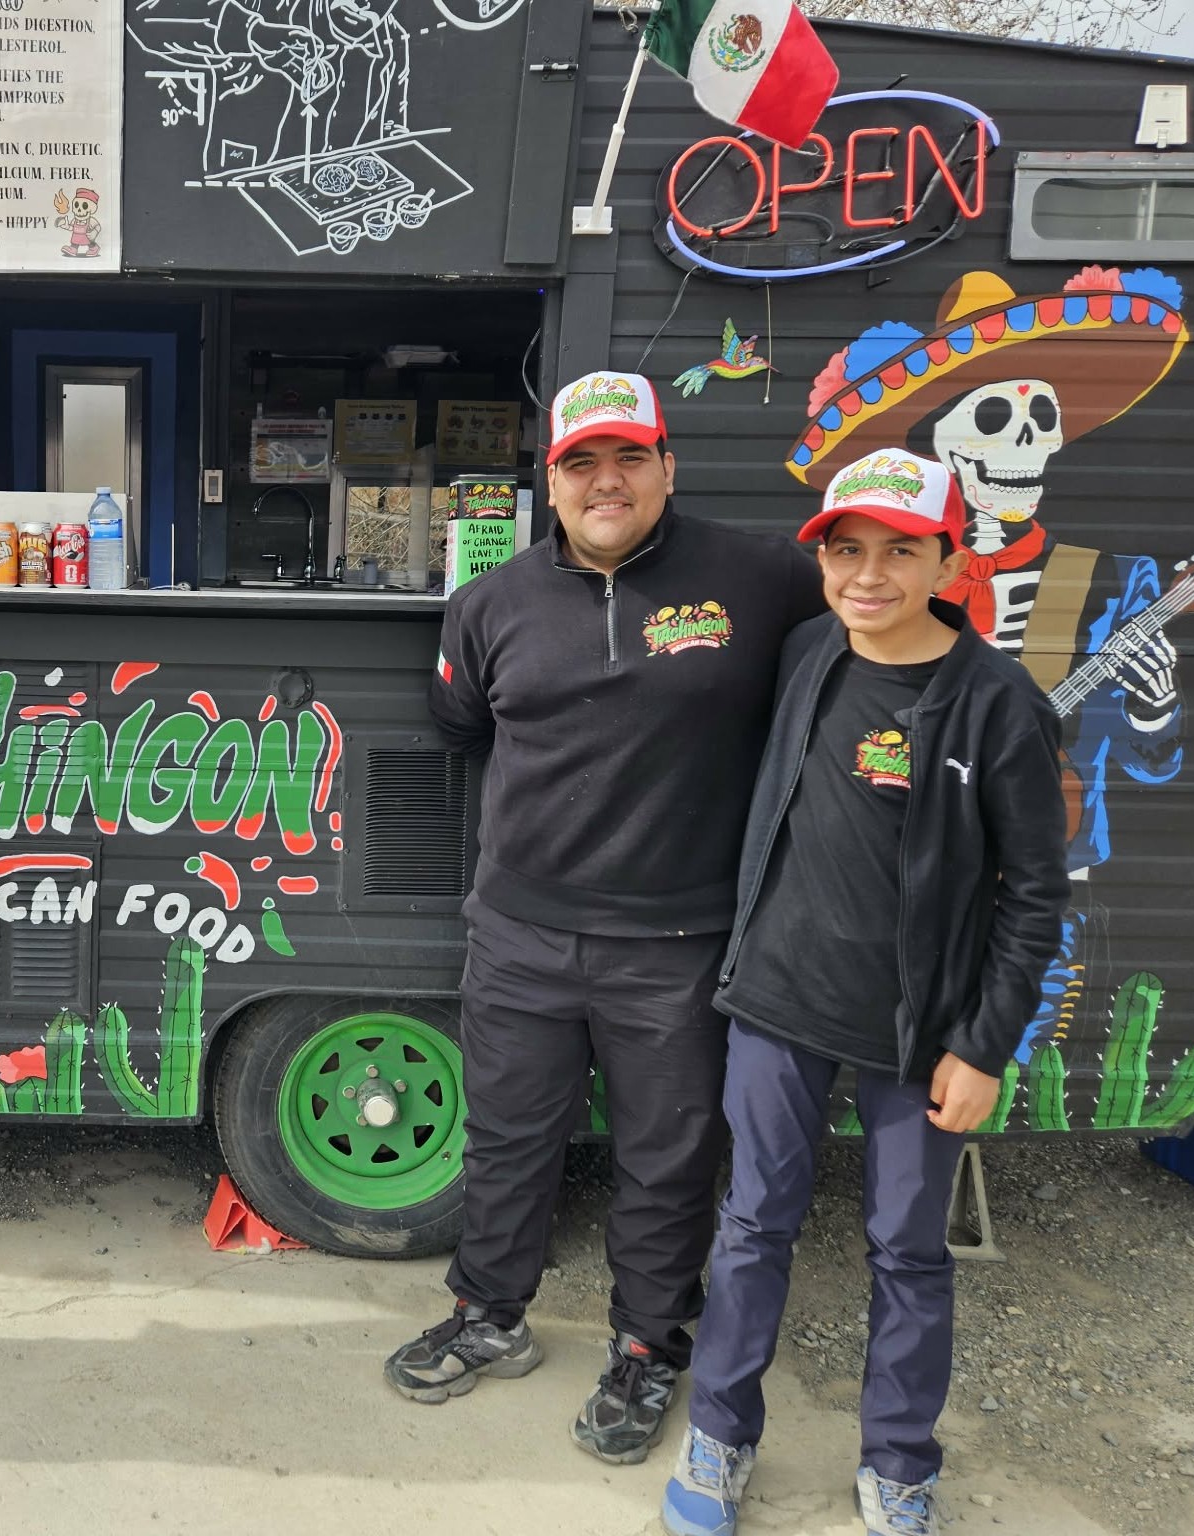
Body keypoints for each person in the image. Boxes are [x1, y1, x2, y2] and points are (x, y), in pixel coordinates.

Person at [389, 371, 826, 1465]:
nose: (607, 480)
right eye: (582, 462)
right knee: (508, 1142)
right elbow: (459, 726)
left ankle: (646, 1349)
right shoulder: (489, 604)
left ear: (668, 466)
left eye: (630, 457)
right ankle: (490, 1315)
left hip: (679, 944)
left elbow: (879, 638)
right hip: (521, 934)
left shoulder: (764, 578)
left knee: (668, 1158)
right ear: (551, 481)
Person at [660, 448, 1069, 1536]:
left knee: (909, 1251)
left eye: (901, 550)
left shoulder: (998, 706)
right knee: (750, 1226)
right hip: (779, 1007)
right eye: (849, 550)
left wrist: (984, 1045)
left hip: (919, 1036)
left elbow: (1034, 893)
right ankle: (720, 1440)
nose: (870, 574)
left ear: (948, 560)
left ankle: (898, 1461)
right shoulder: (806, 655)